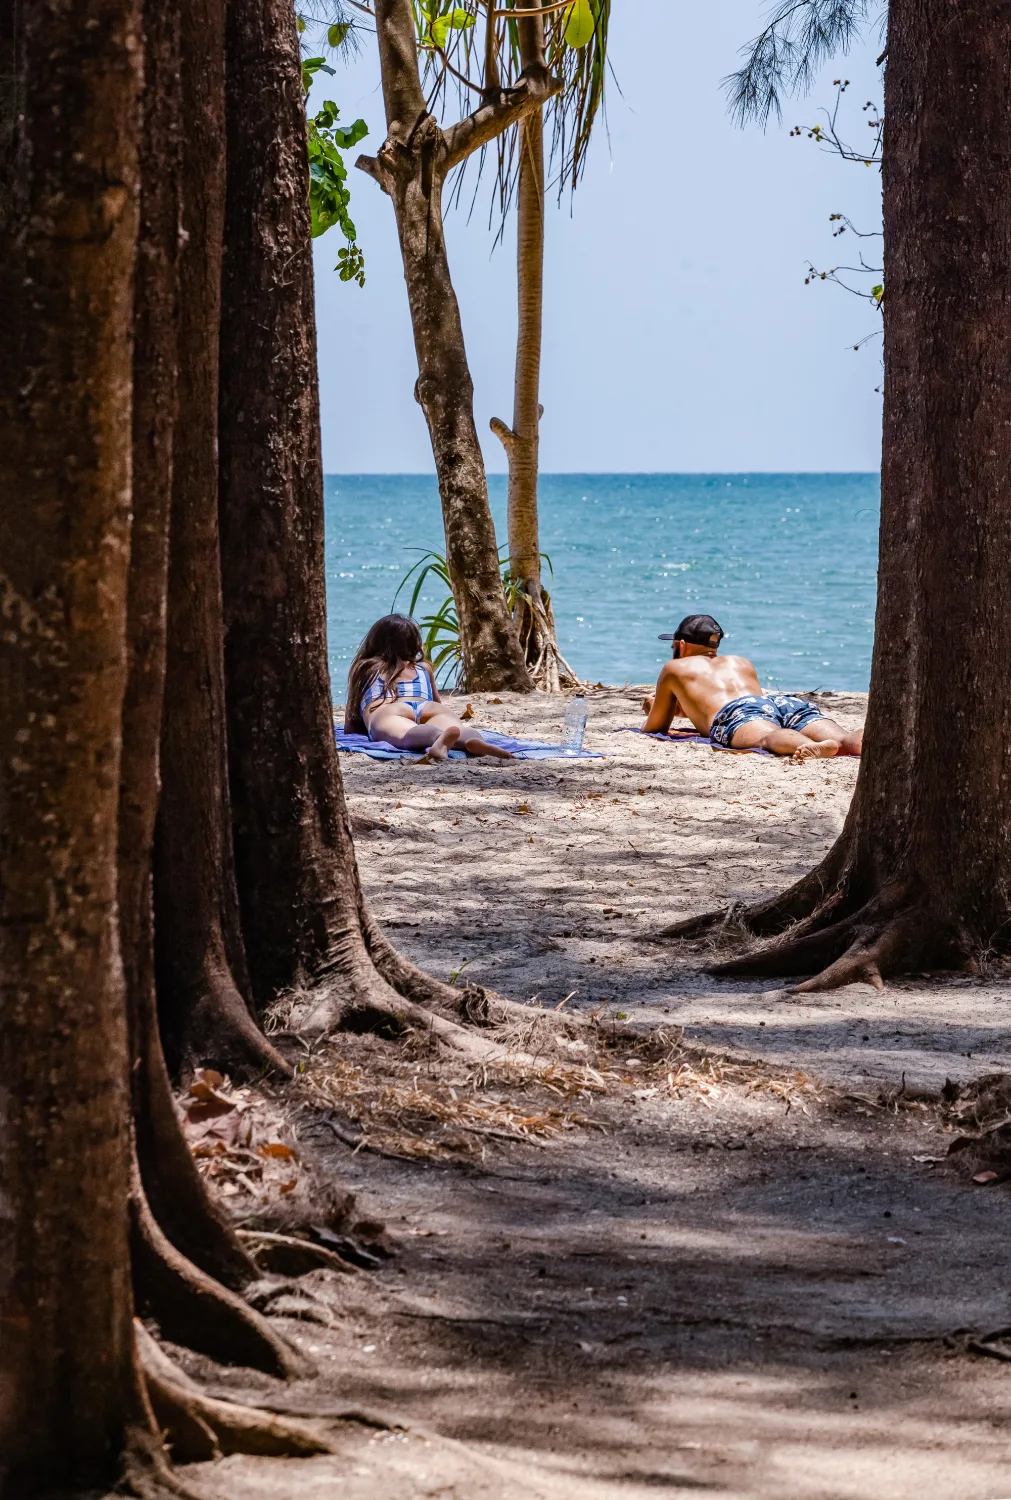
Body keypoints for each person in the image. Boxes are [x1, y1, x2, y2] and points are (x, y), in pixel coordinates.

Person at [641, 613, 863, 761]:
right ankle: (863, 742)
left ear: (681, 644)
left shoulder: (675, 667)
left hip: (737, 713)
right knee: (844, 738)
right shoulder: (740, 662)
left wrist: (654, 708)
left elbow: (655, 728)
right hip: (777, 702)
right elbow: (755, 707)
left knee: (768, 736)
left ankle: (809, 746)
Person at [345, 614, 514, 762]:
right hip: (429, 707)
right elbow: (436, 702)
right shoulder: (423, 668)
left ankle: (438, 739)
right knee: (457, 729)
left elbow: (350, 722)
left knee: (407, 734)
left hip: (389, 710)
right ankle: (472, 741)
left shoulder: (365, 667)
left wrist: (364, 727)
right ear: (414, 644)